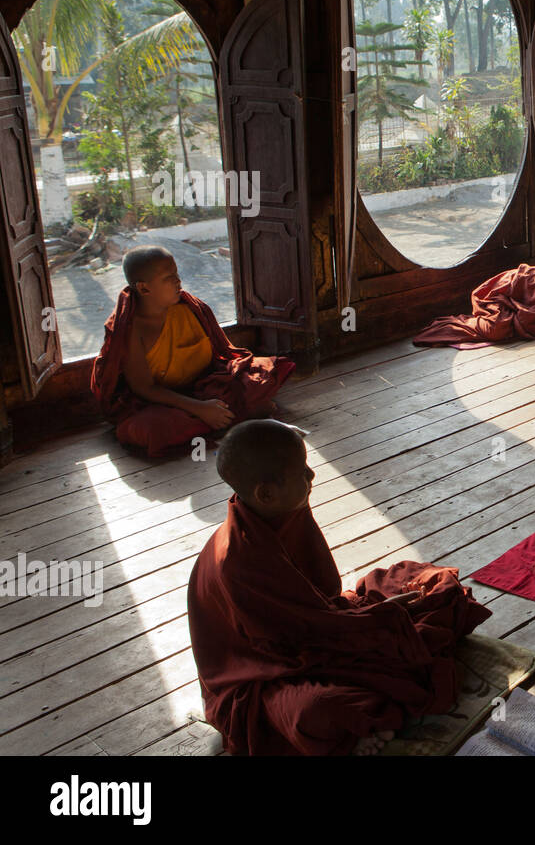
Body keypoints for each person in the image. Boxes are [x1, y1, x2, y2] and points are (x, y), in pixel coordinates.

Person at [187, 419, 491, 755]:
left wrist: (370, 617)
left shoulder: (279, 509)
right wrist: (378, 619)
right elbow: (288, 643)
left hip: (315, 632)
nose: (311, 476)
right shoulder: (238, 560)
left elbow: (322, 600)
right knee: (318, 709)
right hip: (260, 676)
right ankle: (354, 725)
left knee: (432, 590)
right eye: (302, 471)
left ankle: (361, 725)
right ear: (266, 493)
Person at [89, 246, 295, 458]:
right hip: (163, 401)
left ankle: (218, 417)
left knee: (264, 373)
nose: (179, 282)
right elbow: (145, 388)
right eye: (169, 278)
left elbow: (223, 355)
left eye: (177, 274)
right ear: (144, 289)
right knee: (150, 430)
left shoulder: (189, 307)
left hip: (204, 385)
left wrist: (211, 400)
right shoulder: (132, 329)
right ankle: (225, 416)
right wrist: (200, 409)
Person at [412, 262, 535, 347]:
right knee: (497, 329)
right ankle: (449, 325)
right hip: (494, 298)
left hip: (517, 302)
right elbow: (528, 325)